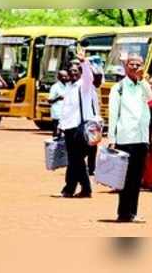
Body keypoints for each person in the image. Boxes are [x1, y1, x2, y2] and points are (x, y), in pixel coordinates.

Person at [108, 53, 152, 223]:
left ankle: (132, 212)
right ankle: (123, 212)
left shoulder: (143, 86)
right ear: (126, 66)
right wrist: (111, 138)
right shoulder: (118, 88)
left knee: (136, 179)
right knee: (125, 178)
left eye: (138, 64)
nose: (135, 67)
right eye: (132, 64)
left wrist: (143, 80)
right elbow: (113, 114)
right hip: (125, 138)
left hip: (141, 138)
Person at [56, 52, 99, 198]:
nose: (73, 73)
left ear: (80, 72)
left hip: (80, 128)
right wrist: (60, 126)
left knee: (76, 159)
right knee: (74, 160)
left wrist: (84, 62)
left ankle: (81, 188)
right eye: (71, 71)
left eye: (76, 71)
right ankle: (72, 188)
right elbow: (67, 109)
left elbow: (89, 77)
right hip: (69, 128)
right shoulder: (70, 87)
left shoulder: (84, 86)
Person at [48, 70, 69, 137]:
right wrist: (58, 98)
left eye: (66, 76)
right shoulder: (55, 87)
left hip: (66, 113)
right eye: (63, 76)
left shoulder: (69, 86)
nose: (65, 78)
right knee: (57, 132)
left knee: (66, 132)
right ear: (59, 77)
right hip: (57, 113)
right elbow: (50, 100)